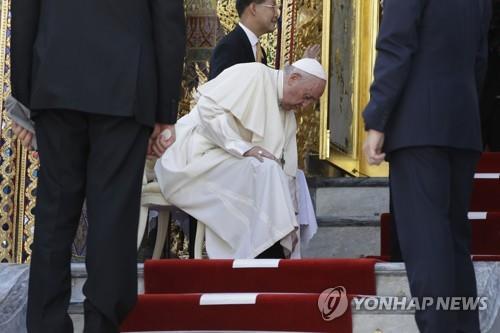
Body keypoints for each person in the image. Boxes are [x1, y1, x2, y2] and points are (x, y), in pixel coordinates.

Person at [10, 1, 186, 332]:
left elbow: (23, 12)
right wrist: (164, 111)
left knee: (54, 217)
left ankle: (46, 325)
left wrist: (23, 102)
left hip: (55, 79)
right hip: (125, 84)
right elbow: (167, 19)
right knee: (112, 218)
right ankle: (103, 324)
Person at [362, 1, 491, 332]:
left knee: (427, 243)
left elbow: (396, 44)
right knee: (453, 242)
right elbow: (480, 58)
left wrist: (378, 119)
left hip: (418, 125)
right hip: (462, 122)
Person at [155, 59, 326, 259]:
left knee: (269, 172)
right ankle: (264, 253)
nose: (304, 106)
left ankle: (266, 250)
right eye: (306, 97)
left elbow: (286, 171)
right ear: (293, 78)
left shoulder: (288, 117)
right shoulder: (254, 74)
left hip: (228, 161)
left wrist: (289, 224)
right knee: (265, 170)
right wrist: (243, 148)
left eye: (310, 101)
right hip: (192, 155)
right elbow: (208, 112)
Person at [208, 0, 278, 80]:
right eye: (272, 7)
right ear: (254, 8)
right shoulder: (228, 48)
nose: (277, 14)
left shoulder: (259, 51)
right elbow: (219, 90)